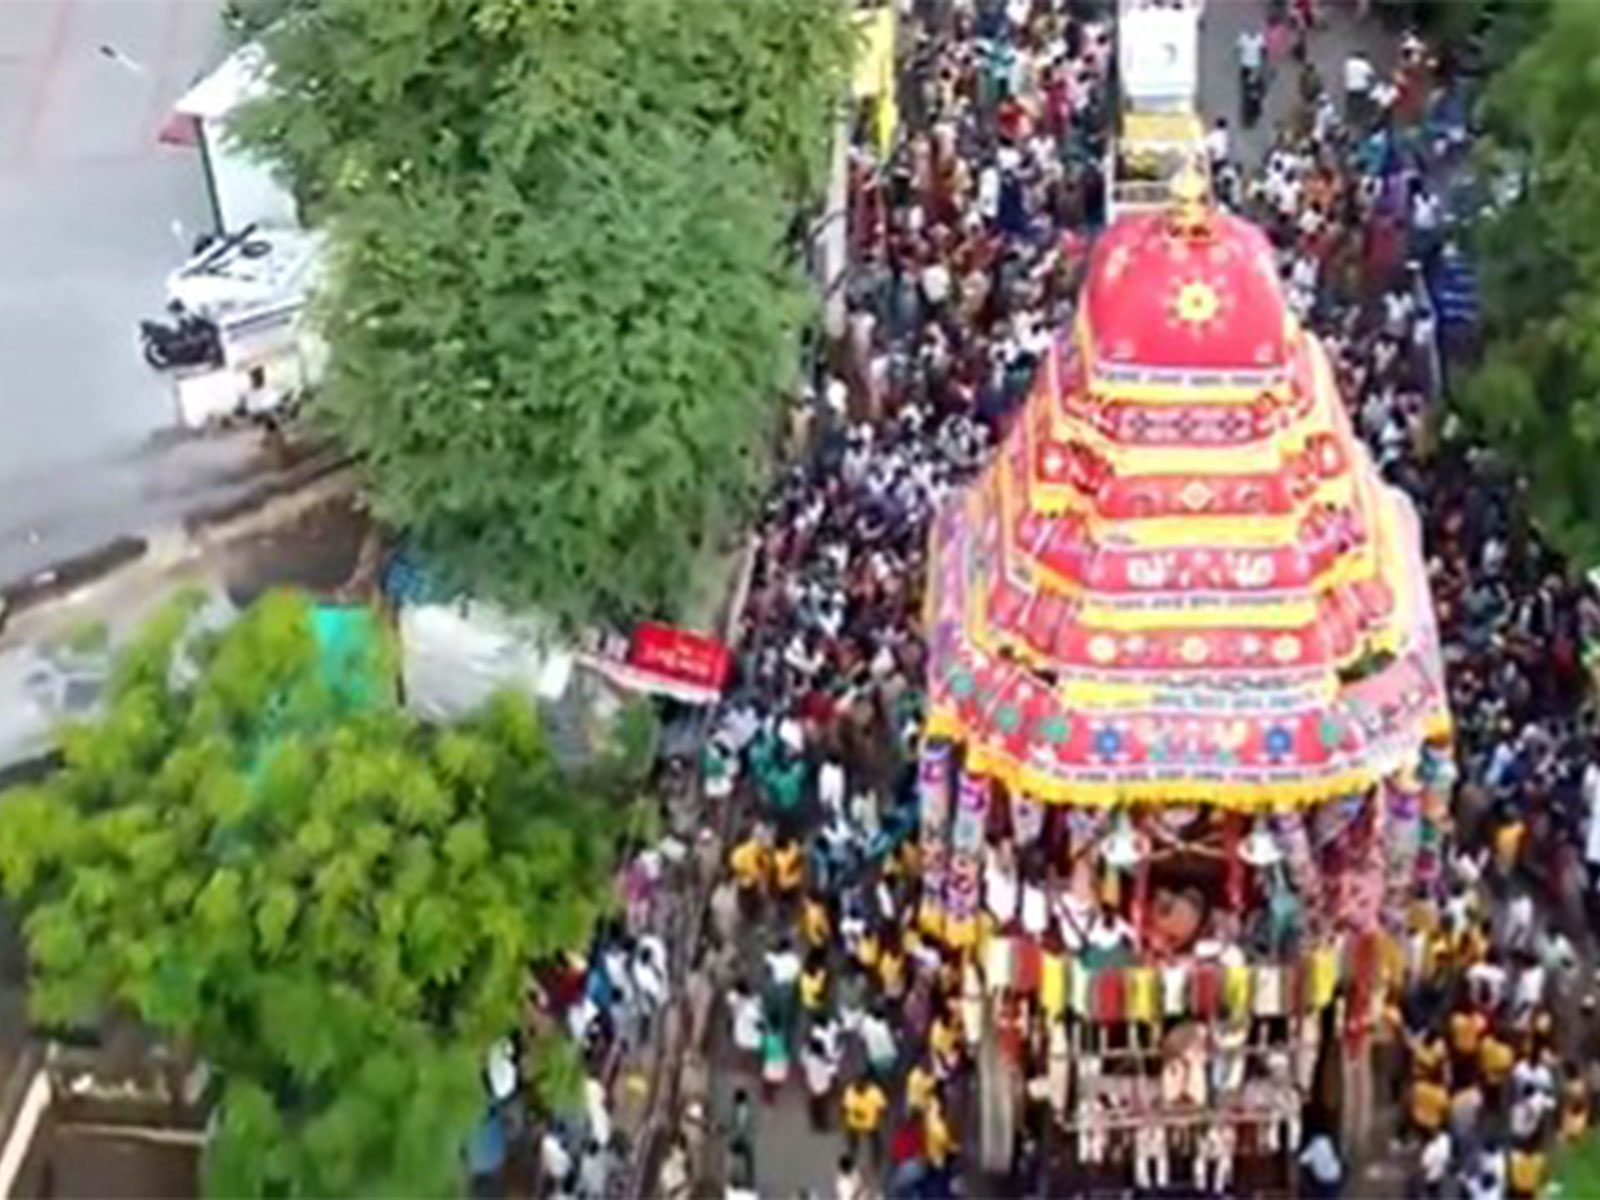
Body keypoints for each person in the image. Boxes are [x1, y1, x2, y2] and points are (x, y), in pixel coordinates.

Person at [842, 1074, 889, 1168]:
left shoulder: (874, 1093)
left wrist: (880, 1120)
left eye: (860, 1086)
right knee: (852, 1142)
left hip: (870, 1124)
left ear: (866, 1085)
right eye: (856, 1086)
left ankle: (876, 1160)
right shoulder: (850, 1091)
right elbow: (845, 1107)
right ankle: (852, 1156)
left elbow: (883, 1108)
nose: (857, 1088)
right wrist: (843, 1119)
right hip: (853, 1123)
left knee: (875, 1142)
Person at [1298, 1129, 1343, 1199]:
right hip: (1335, 1175)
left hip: (1323, 1178)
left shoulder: (1314, 1145)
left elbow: (1302, 1160)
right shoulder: (1329, 1142)